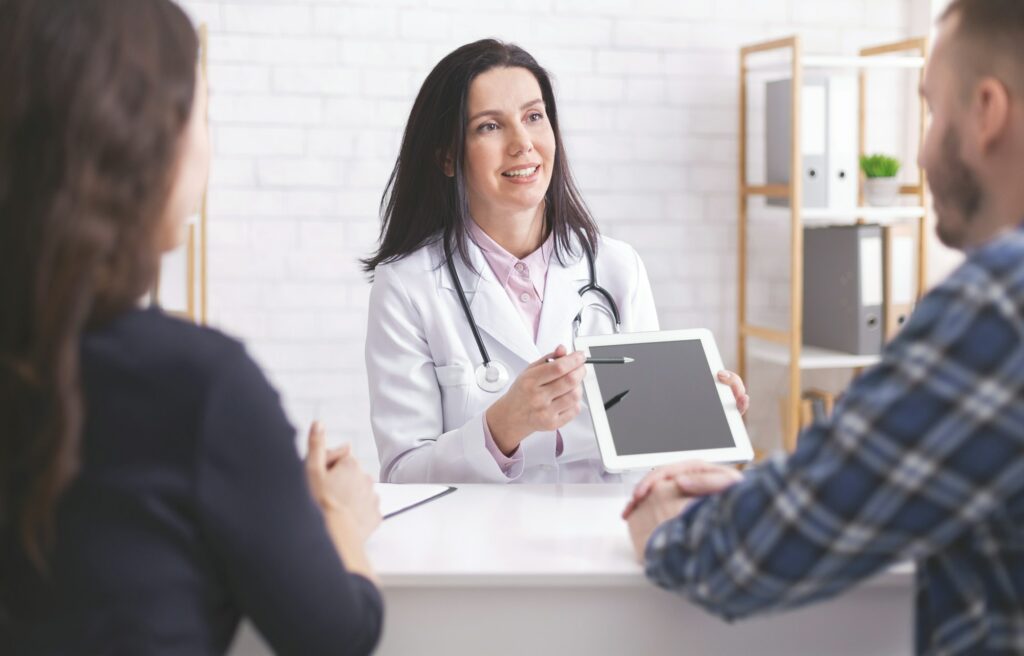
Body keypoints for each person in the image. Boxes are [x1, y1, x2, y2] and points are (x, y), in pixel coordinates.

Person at [623, 1, 1024, 653]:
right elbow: (888, 477)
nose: (920, 150)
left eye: (932, 109)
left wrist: (669, 529)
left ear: (986, 113)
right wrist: (773, 486)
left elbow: (748, 557)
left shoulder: (1000, 303)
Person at [0, 1, 382, 653]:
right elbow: (336, 635)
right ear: (145, 144)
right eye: (199, 115)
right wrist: (339, 518)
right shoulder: (201, 387)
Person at [363, 39, 750, 484]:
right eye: (490, 126)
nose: (522, 143)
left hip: (602, 541)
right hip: (478, 547)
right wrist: (503, 425)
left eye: (534, 117)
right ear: (448, 157)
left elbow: (652, 462)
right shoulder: (407, 286)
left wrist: (698, 416)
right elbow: (402, 473)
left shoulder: (616, 268)